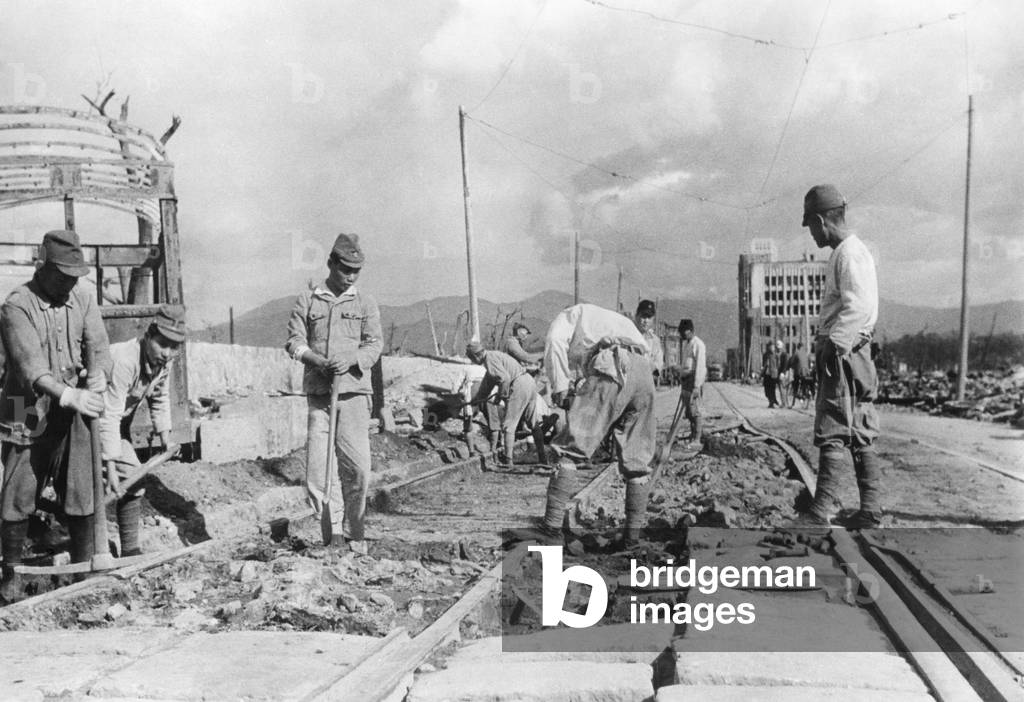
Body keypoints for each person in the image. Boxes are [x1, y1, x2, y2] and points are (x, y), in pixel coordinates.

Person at [1, 231, 111, 602]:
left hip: (72, 400)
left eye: (74, 275)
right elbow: (29, 366)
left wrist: (100, 373)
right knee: (19, 487)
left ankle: (82, 573)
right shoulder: (16, 305)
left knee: (81, 482)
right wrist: (70, 395)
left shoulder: (82, 295)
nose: (69, 282)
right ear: (42, 267)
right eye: (62, 275)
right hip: (22, 402)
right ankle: (11, 577)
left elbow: (98, 344)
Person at [285, 233, 382, 554]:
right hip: (320, 395)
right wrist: (316, 360)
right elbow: (294, 343)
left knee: (357, 469)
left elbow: (374, 344)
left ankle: (356, 530)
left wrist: (352, 359)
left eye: (356, 270)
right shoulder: (308, 300)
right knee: (318, 471)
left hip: (353, 394)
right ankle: (333, 534)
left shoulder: (365, 303)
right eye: (345, 269)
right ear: (330, 263)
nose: (351, 276)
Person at [793, 184, 881, 530]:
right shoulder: (854, 251)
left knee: (833, 426)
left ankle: (820, 512)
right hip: (857, 351)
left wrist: (833, 344)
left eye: (811, 226)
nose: (811, 233)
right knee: (860, 429)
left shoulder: (846, 252)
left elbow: (857, 306)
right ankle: (870, 509)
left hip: (843, 350)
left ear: (820, 220)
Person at [533, 303, 655, 545]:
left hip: (612, 364)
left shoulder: (567, 316)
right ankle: (632, 537)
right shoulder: (613, 320)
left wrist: (559, 387)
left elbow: (555, 343)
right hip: (643, 373)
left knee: (571, 448)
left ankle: (551, 528)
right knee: (637, 458)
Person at [99, 304, 185, 557]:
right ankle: (90, 548)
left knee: (134, 479)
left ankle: (130, 551)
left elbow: (159, 399)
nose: (168, 353)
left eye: (174, 347)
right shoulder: (124, 360)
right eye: (163, 344)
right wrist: (111, 467)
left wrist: (166, 440)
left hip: (114, 426)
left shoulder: (163, 361)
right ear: (148, 336)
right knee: (91, 489)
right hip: (86, 423)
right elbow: (109, 414)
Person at [466, 342, 546, 466]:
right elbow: (487, 384)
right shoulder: (493, 357)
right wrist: (476, 399)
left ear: (476, 356)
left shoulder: (490, 359)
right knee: (532, 422)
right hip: (529, 382)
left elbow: (504, 379)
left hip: (519, 384)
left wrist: (500, 396)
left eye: (471, 358)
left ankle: (508, 461)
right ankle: (543, 458)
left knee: (509, 426)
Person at [677, 319, 706, 448]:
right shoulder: (686, 344)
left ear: (689, 331)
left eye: (683, 332)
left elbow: (700, 366)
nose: (682, 335)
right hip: (686, 381)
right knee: (688, 412)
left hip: (693, 381)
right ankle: (693, 435)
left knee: (695, 411)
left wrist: (696, 386)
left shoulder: (698, 344)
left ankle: (697, 439)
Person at [635, 300, 663, 384]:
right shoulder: (629, 336)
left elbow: (658, 364)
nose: (646, 321)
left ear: (653, 319)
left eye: (649, 317)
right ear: (637, 316)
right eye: (643, 316)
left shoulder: (655, 341)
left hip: (646, 383)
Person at [788, 342, 811, 406]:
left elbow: (792, 362)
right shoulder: (806, 353)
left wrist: (791, 366)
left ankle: (796, 394)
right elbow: (809, 362)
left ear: (798, 347)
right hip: (807, 373)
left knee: (795, 384)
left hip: (799, 372)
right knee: (804, 383)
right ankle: (806, 394)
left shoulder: (796, 352)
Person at [761, 342, 780, 407]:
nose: (772, 348)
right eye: (771, 347)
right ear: (768, 347)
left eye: (773, 347)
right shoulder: (765, 355)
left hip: (773, 374)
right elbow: (763, 364)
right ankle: (771, 401)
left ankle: (772, 402)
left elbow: (778, 365)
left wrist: (778, 372)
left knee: (772, 389)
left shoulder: (776, 355)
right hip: (767, 374)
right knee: (767, 390)